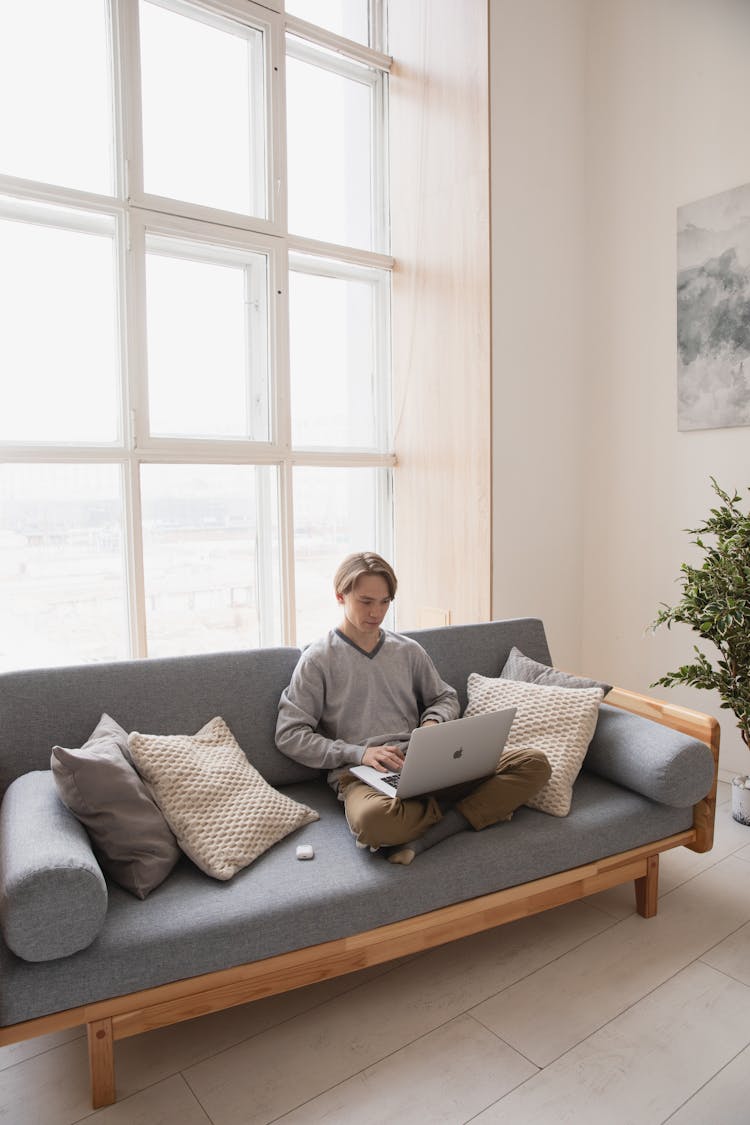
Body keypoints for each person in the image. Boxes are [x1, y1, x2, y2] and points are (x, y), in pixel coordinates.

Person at [275, 552, 551, 864]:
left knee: (534, 763)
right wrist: (359, 753)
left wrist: (431, 726)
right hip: (362, 774)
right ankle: (469, 807)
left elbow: (445, 698)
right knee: (373, 823)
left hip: (426, 761)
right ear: (340, 596)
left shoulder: (407, 650)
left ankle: (435, 830)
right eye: (366, 601)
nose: (376, 612)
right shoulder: (318, 660)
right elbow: (290, 735)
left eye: (385, 601)